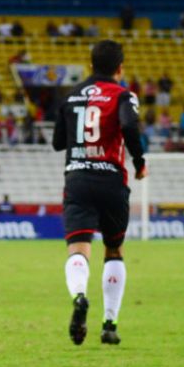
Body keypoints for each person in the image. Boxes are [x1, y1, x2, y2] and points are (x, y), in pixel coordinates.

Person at [52, 39, 147, 346]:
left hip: (78, 178)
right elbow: (129, 125)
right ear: (120, 68)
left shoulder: (72, 96)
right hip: (111, 180)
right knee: (114, 250)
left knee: (78, 249)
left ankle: (79, 297)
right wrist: (140, 161)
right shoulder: (123, 95)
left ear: (90, 65)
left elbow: (57, 142)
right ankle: (109, 324)